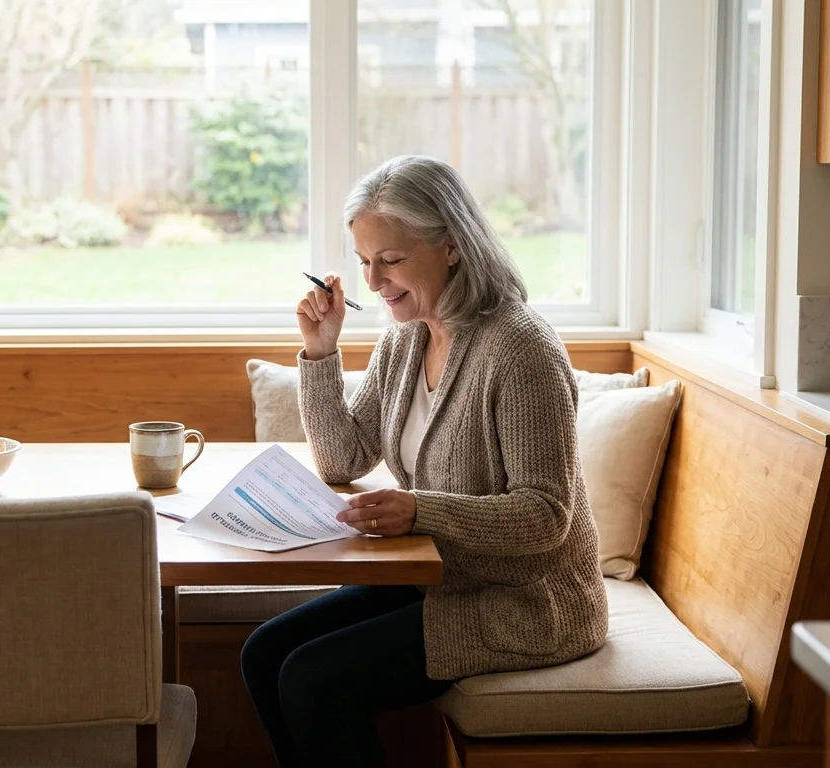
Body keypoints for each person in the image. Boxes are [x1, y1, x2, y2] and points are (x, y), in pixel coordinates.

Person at [239, 156, 608, 767]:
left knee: (312, 680)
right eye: (363, 262)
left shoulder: (521, 350)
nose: (374, 282)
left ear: (452, 246)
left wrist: (419, 510)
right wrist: (320, 352)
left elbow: (546, 516)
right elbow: (343, 456)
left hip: (523, 602)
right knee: (262, 654)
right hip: (437, 577)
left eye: (390, 260)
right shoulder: (407, 336)